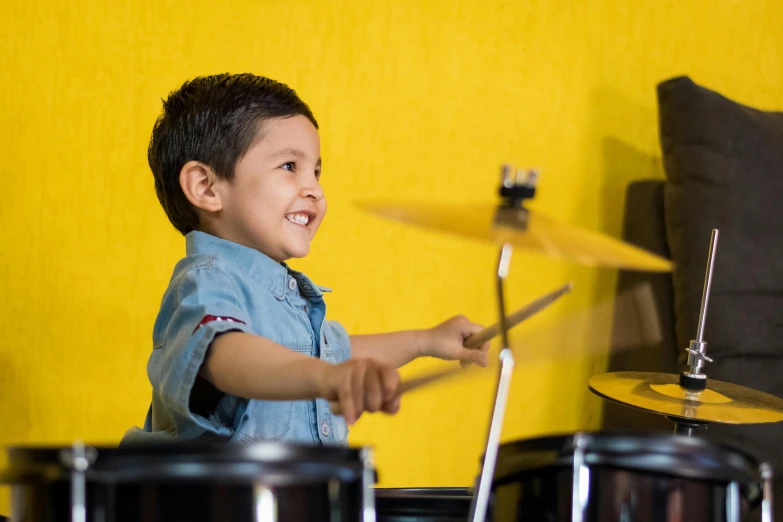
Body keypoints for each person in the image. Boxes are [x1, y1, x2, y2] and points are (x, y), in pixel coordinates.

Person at [121, 73, 490, 447]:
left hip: (286, 502)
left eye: (316, 171)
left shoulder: (278, 299)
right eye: (289, 167)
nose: (314, 188)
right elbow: (227, 354)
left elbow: (334, 351)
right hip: (216, 505)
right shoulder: (207, 280)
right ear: (206, 187)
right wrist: (327, 377)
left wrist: (424, 341)